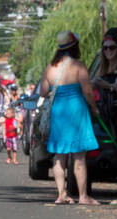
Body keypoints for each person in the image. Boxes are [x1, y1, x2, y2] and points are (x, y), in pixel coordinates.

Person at [37, 31, 100, 205]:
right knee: (79, 155)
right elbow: (87, 91)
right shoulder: (78, 66)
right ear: (75, 47)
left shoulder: (50, 68)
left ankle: (61, 194)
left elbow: (43, 91)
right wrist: (94, 108)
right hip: (76, 110)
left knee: (59, 154)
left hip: (59, 111)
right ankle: (83, 196)